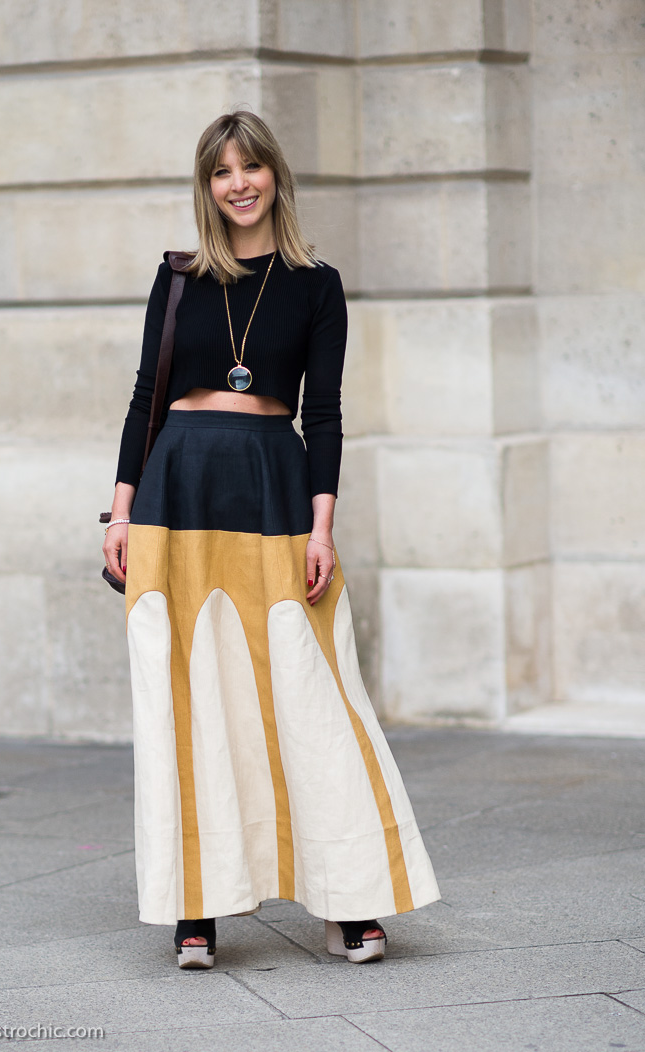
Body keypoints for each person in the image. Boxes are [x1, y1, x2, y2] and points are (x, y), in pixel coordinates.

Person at [103, 111, 439, 969]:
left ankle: (350, 896)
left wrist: (324, 526)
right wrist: (120, 512)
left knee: (311, 693)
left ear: (275, 176)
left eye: (251, 167)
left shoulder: (315, 284)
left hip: (273, 488)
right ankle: (196, 907)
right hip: (177, 487)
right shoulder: (178, 278)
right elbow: (146, 398)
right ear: (206, 186)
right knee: (188, 696)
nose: (239, 184)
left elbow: (322, 415)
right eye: (222, 172)